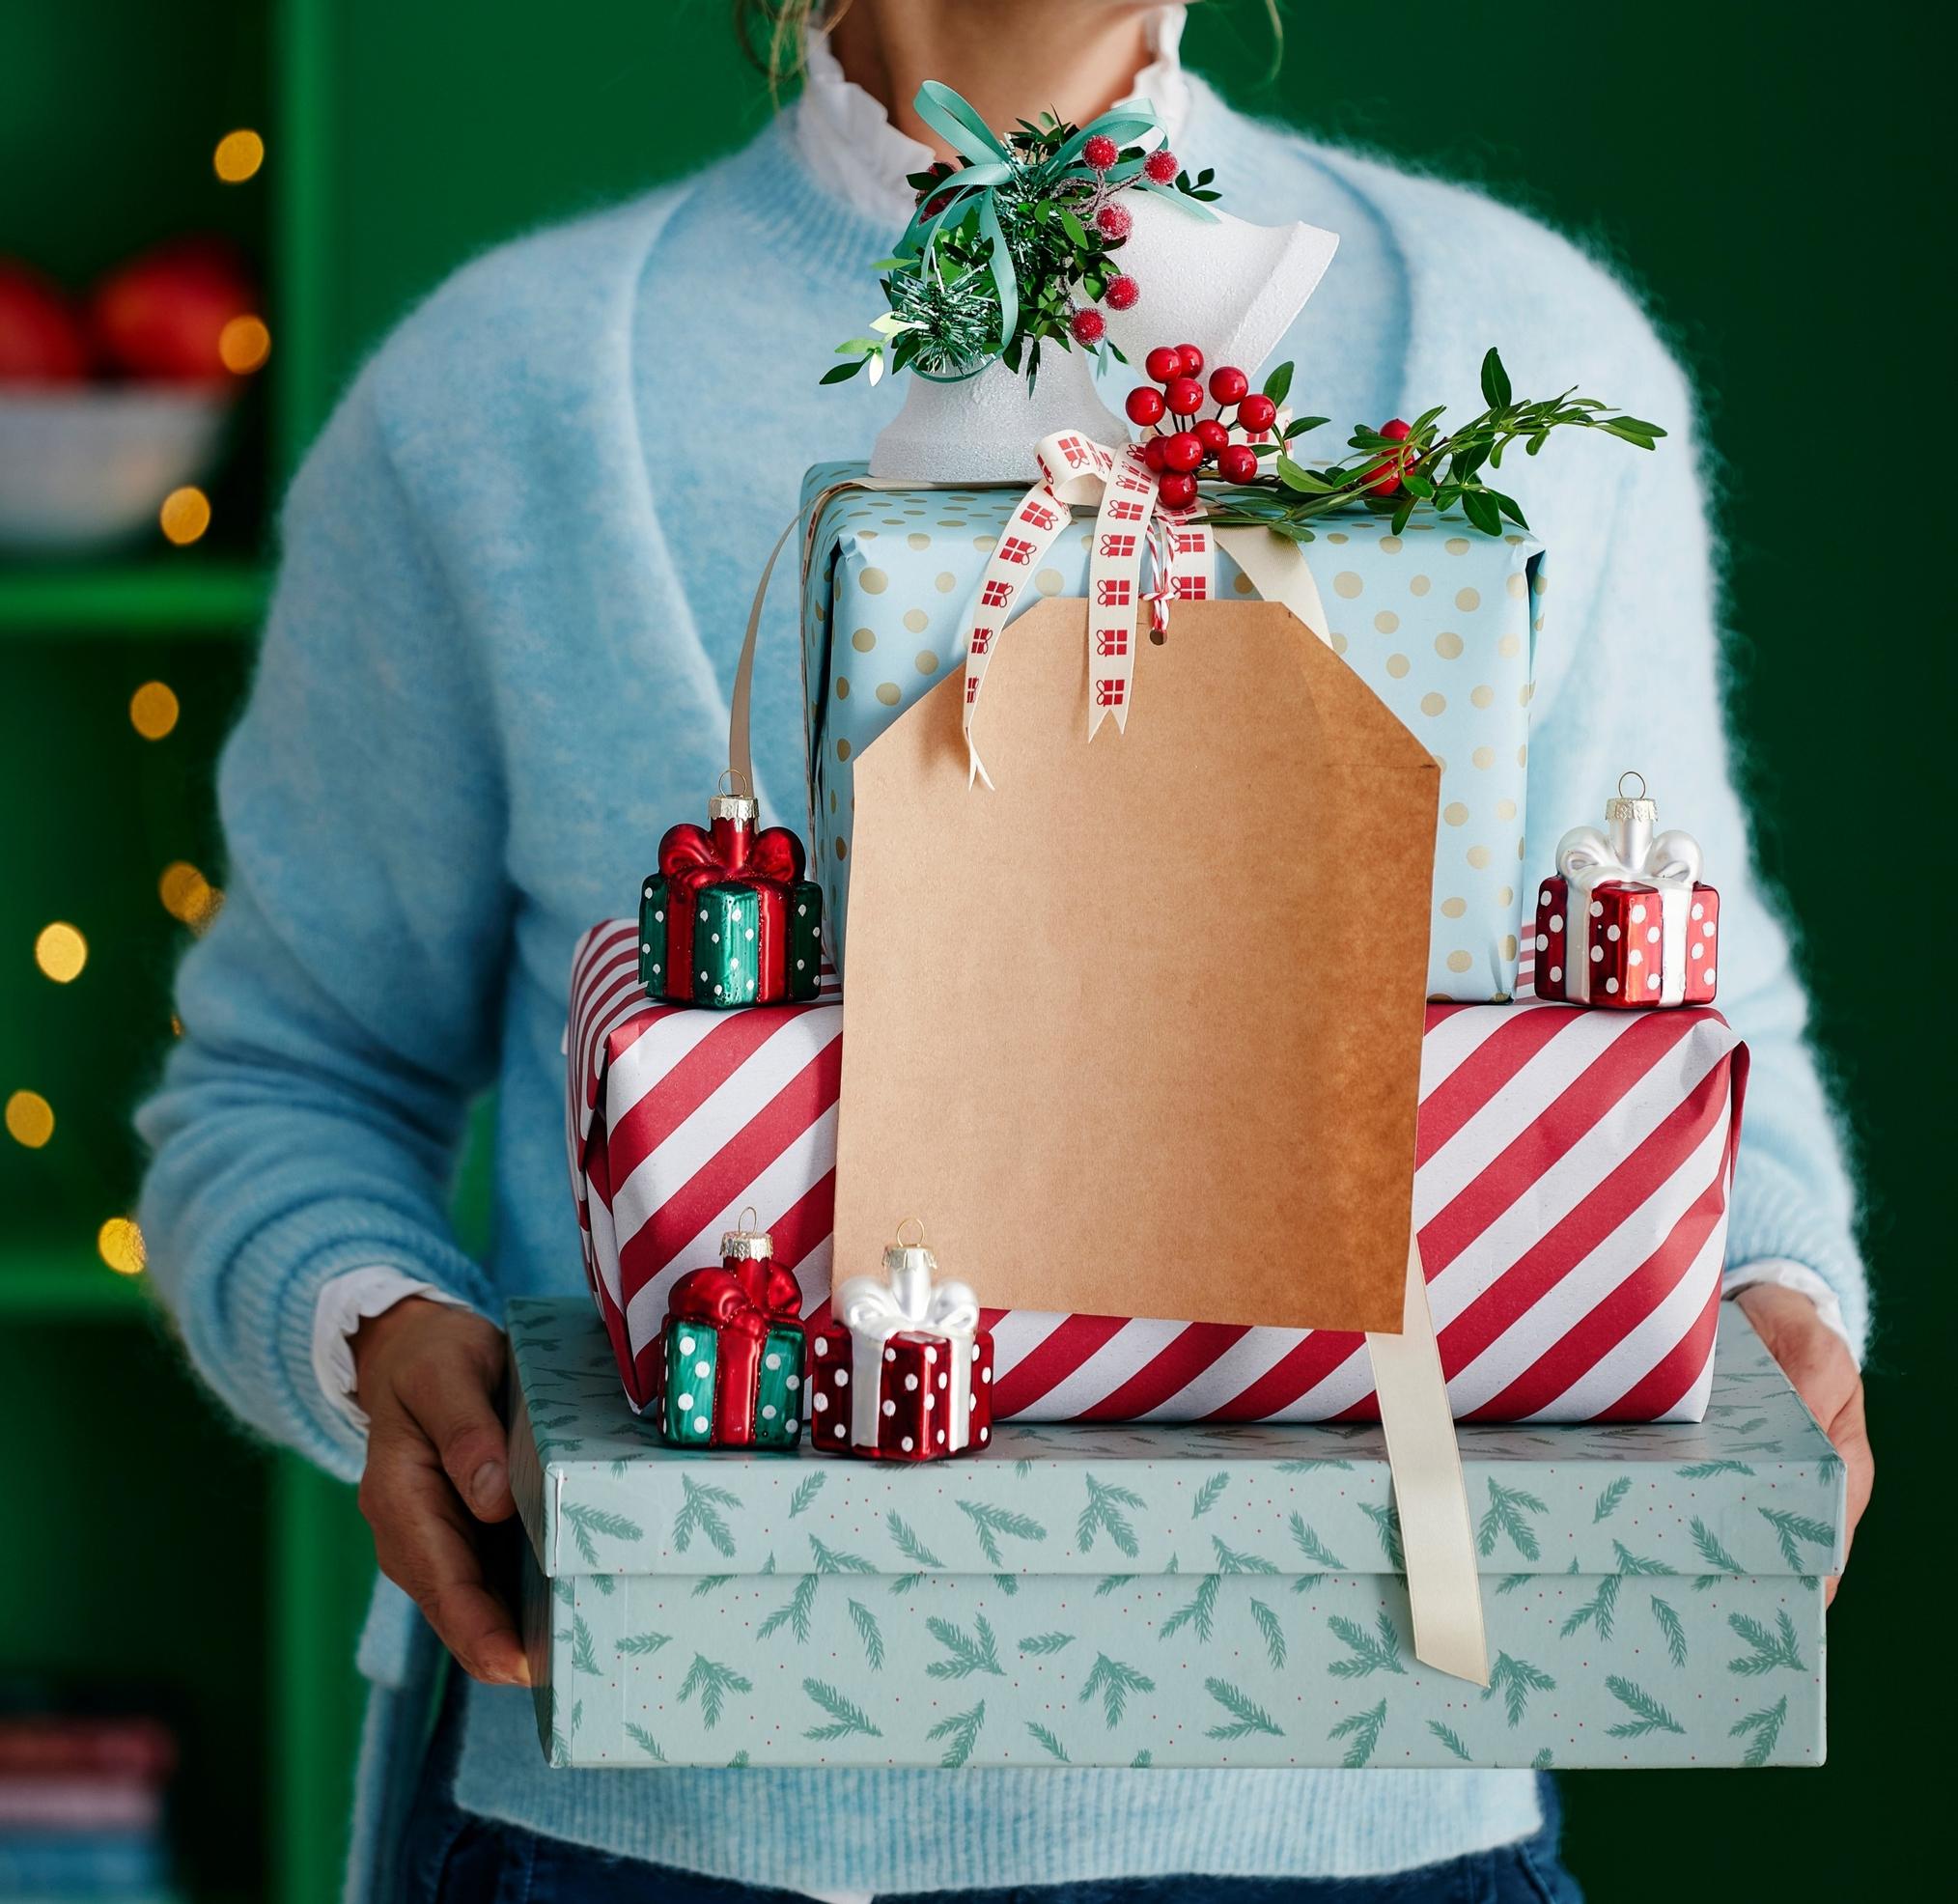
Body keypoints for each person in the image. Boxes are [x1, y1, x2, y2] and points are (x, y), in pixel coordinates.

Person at [137, 3, 1873, 1900]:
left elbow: (1698, 1029)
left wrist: (1776, 1293)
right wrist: (370, 1321)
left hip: (1374, 1808)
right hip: (658, 1822)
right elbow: (285, 1076)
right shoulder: (508, 390)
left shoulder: (1523, 340)